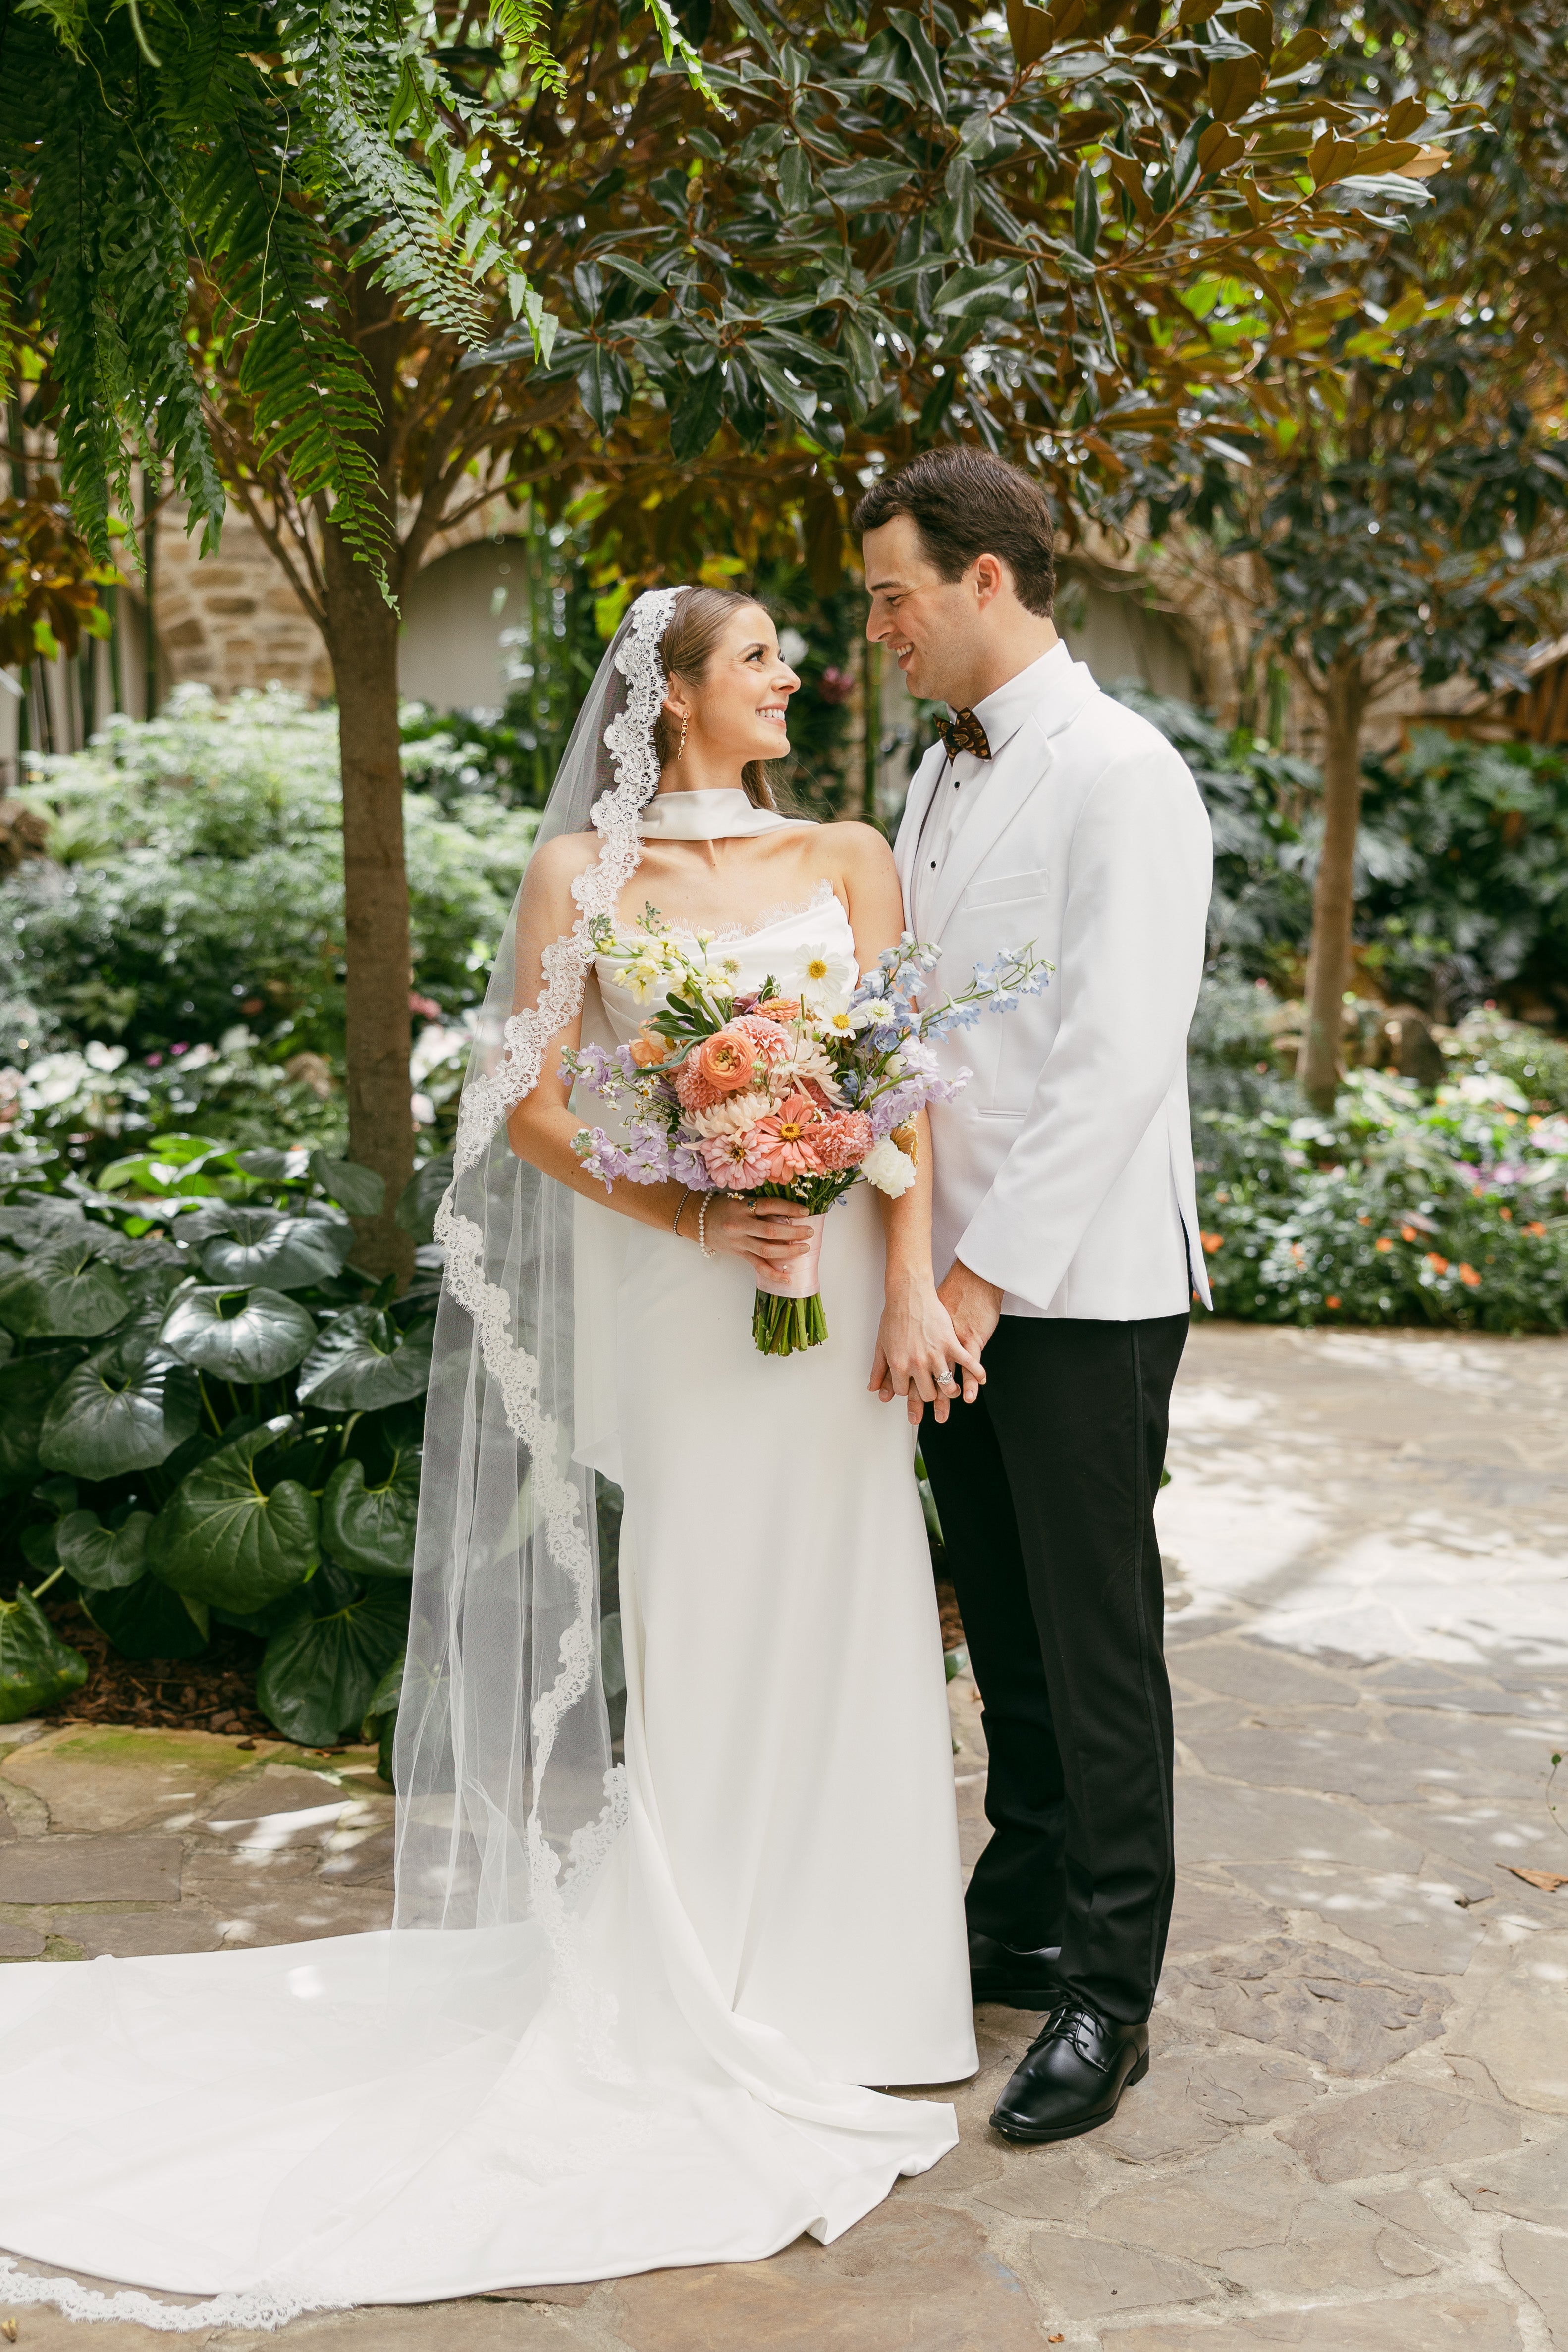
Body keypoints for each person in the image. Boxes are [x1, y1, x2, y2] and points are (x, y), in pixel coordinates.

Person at [0, 585, 977, 2332]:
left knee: (855, 1599)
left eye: (786, 654)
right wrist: (698, 1210)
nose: (793, 674)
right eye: (760, 657)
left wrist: (908, 1285)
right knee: (706, 1601)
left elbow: (905, 1082)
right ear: (676, 698)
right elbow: (530, 1102)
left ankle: (869, 1988)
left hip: (837, 1296)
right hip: (698, 1296)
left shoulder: (849, 855)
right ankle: (716, 1971)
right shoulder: (579, 877)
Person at [857, 448, 1213, 2146]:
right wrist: (911, 1270)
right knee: (1000, 1625)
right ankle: (1025, 1902)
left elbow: (1117, 1056)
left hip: (1076, 1285)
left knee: (1096, 1644)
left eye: (894, 596)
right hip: (946, 1289)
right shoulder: (932, 775)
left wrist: (980, 1281)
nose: (879, 629)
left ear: (984, 577)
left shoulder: (1125, 771)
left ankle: (1111, 1994)